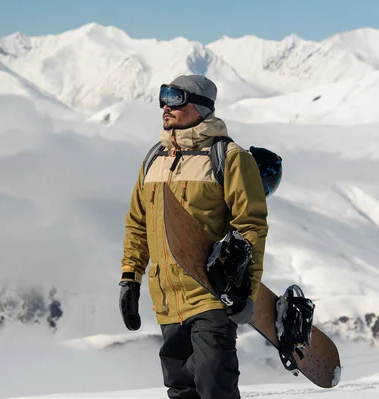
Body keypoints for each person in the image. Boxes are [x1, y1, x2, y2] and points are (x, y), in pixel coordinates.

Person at [118, 74, 269, 399]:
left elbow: (252, 226)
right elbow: (137, 224)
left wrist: (248, 292)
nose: (164, 106)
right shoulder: (154, 159)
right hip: (167, 299)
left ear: (200, 107)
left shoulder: (229, 158)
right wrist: (130, 279)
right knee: (181, 391)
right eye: (163, 96)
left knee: (215, 388)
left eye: (175, 98)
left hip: (210, 295)